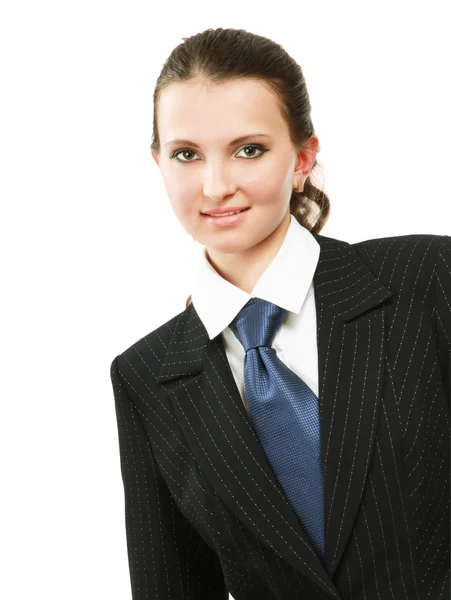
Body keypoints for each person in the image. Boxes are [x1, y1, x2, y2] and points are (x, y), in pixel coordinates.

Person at [110, 27, 450, 600]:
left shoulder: (428, 279)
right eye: (187, 154)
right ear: (158, 163)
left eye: (249, 149)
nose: (216, 186)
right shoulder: (146, 376)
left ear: (303, 158)